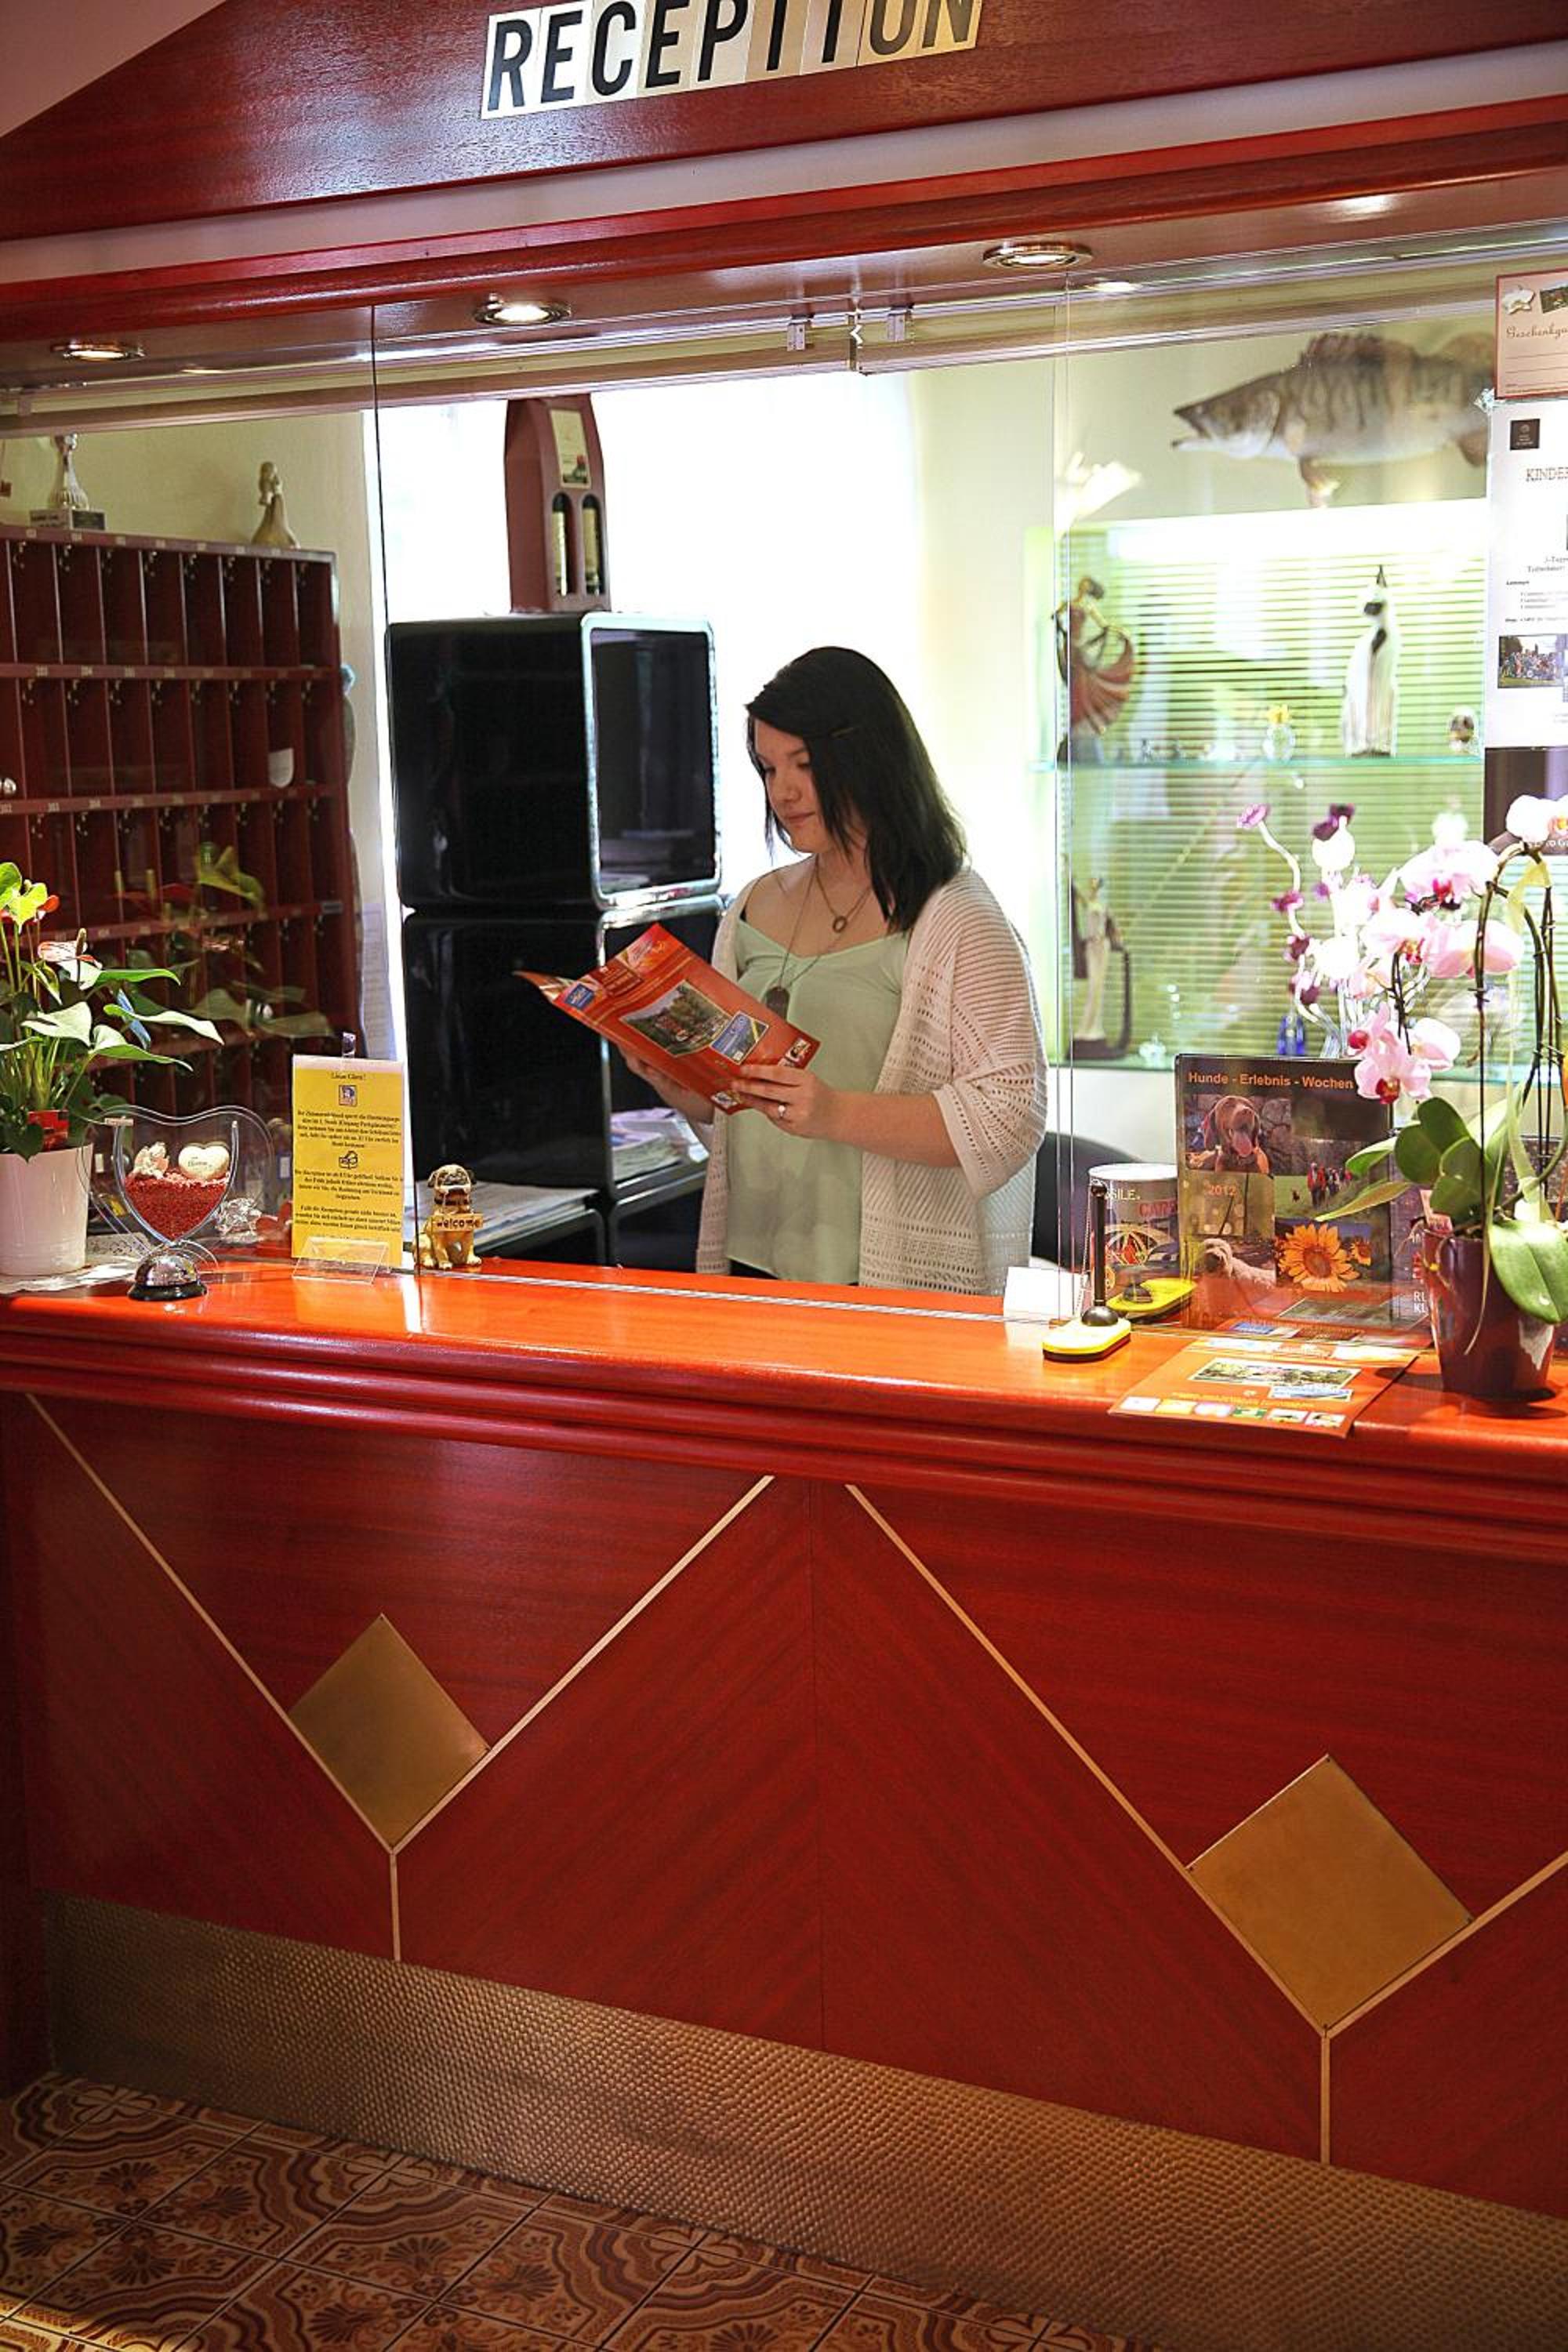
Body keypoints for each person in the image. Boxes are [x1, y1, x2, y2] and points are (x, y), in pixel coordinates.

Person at [626, 646, 1048, 1293]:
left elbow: (1010, 1114)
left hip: (881, 1279)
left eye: (805, 764)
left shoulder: (957, 917)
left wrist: (834, 1113)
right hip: (749, 1260)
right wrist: (676, 1081)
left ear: (870, 757)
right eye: (769, 768)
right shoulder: (752, 906)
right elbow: (738, 1106)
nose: (783, 791)